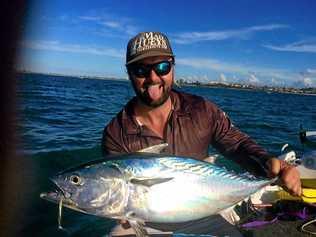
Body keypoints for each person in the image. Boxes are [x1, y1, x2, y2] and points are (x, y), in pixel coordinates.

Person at [102, 31, 301, 236]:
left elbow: (237, 144)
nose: (153, 78)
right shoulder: (116, 133)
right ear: (129, 73)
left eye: (162, 67)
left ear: (173, 67)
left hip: (205, 210)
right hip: (143, 221)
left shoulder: (201, 110)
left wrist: (269, 163)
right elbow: (119, 194)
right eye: (140, 69)